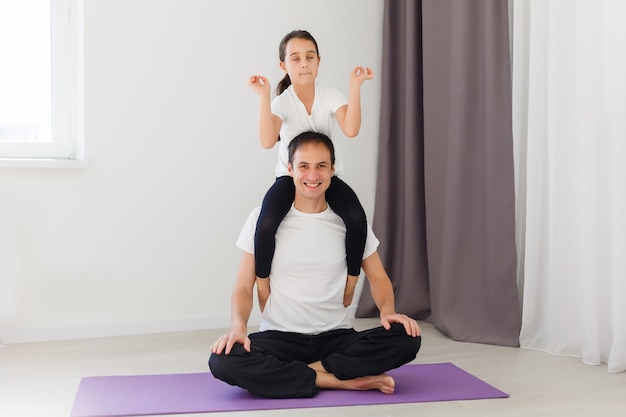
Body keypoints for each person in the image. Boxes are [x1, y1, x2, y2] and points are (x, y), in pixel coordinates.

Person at [209, 131, 421, 399]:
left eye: (321, 166)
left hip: (335, 337)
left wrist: (388, 312)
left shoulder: (349, 223)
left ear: (333, 170)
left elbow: (378, 278)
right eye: (304, 166)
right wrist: (238, 328)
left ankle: (303, 375)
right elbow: (242, 286)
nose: (313, 175)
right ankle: (338, 380)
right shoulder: (261, 219)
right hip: (279, 337)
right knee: (222, 359)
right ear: (290, 169)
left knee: (407, 337)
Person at [248, 30, 375, 303]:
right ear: (284, 66)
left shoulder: (330, 95)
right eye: (295, 58)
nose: (304, 63)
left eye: (309, 57)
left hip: (326, 176)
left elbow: (351, 129)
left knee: (356, 218)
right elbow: (267, 140)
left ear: (319, 61)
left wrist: (355, 86)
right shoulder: (282, 102)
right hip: (291, 178)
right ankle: (262, 282)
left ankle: (351, 281)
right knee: (266, 222)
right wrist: (263, 95)